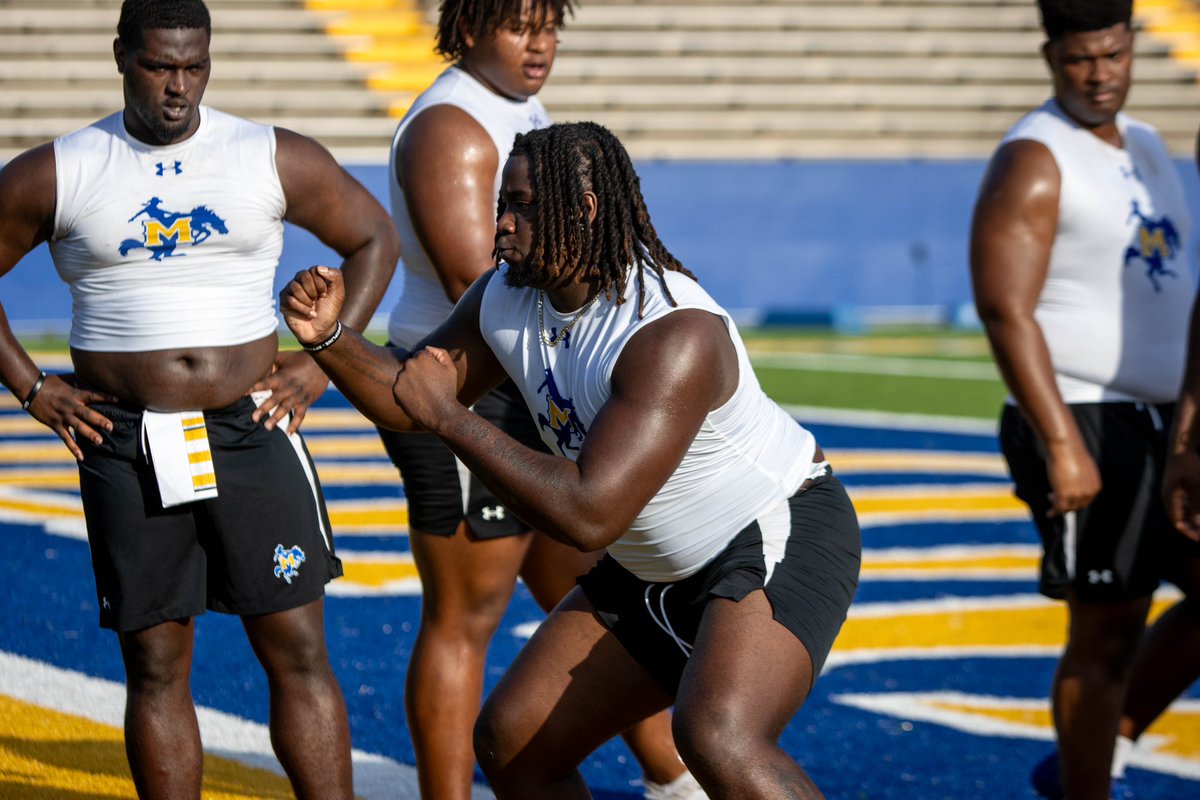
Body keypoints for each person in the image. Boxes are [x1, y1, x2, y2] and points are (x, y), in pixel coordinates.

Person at [281, 121, 861, 799]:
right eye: (503, 203)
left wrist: (448, 416)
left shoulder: (670, 333)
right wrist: (331, 339)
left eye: (522, 206)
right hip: (656, 563)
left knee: (718, 735)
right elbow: (410, 395)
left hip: (768, 534)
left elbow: (588, 516)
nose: (498, 225)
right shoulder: (506, 294)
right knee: (515, 740)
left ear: (583, 210)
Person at [0, 1, 400, 797]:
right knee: (155, 660)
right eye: (158, 66)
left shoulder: (266, 153)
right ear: (122, 57)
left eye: (194, 65)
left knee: (297, 645)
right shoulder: (62, 167)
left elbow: (374, 238)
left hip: (252, 426)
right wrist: (31, 385)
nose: (178, 86)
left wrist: (324, 360)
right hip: (124, 437)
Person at [379, 1, 698, 797]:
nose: (540, 42)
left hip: (528, 380)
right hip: (467, 385)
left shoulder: (518, 112)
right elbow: (479, 289)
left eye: (549, 24)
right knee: (466, 617)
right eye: (520, 24)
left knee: (596, 583)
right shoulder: (453, 124)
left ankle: (671, 776)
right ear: (472, 26)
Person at [969, 1, 1200, 798]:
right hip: (1083, 416)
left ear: (1131, 46)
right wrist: (1061, 441)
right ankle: (1086, 785)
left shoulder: (1147, 144)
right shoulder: (1035, 156)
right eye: (1079, 59)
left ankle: (1110, 742)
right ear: (1049, 56)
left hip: (1168, 421)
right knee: (1105, 631)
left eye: (1111, 54)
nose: (1099, 74)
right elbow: (1005, 307)